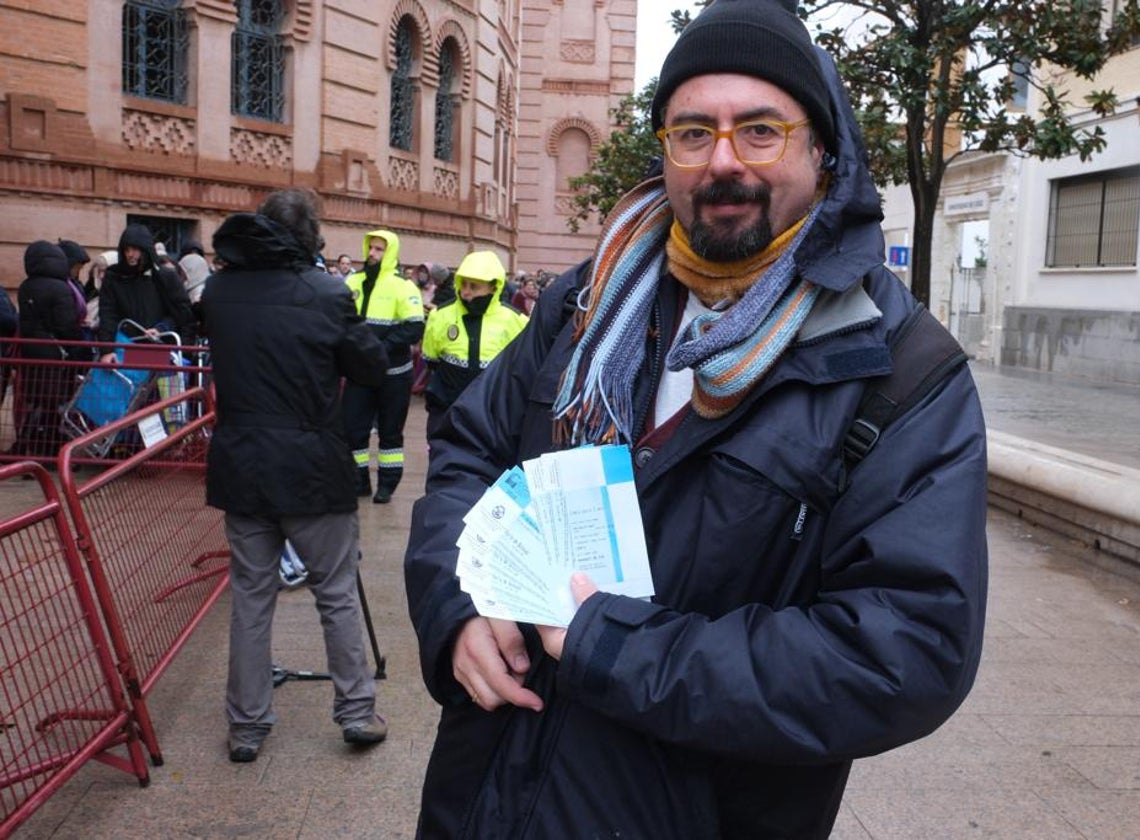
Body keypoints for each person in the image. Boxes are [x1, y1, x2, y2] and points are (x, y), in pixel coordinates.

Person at [402, 1, 989, 836]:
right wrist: (456, 606)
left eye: (760, 131)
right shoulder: (582, 304)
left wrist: (614, 647)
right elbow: (468, 451)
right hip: (488, 794)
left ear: (822, 150)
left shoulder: (899, 370)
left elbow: (904, 649)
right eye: (692, 132)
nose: (723, 163)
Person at [203, 187, 390, 763]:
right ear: (309, 238)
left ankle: (247, 725)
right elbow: (370, 368)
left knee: (252, 599)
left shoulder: (218, 292)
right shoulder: (328, 294)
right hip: (311, 466)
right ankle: (356, 710)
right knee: (334, 593)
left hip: (244, 465)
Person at [341, 229, 426, 504]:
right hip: (359, 374)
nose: (373, 254)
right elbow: (339, 319)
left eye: (379, 249)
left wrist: (380, 348)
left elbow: (414, 326)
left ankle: (387, 485)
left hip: (394, 374)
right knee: (354, 431)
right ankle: (358, 481)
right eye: (371, 248)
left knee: (390, 433)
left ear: (390, 252)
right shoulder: (352, 281)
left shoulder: (403, 286)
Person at [419, 250, 527, 439]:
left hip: (493, 414)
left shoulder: (516, 321)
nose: (466, 292)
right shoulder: (440, 315)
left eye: (474, 286)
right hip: (447, 408)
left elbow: (522, 366)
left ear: (494, 287)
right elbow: (430, 358)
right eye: (463, 284)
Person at [13, 241, 85, 457]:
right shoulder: (61, 288)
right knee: (53, 402)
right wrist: (78, 348)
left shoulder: (26, 286)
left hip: (31, 352)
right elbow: (66, 326)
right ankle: (43, 449)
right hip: (55, 355)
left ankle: (28, 447)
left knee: (37, 400)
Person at [97, 223, 195, 362]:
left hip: (162, 350)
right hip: (125, 347)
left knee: (159, 383)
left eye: (135, 249)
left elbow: (182, 315)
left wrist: (160, 329)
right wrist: (107, 350)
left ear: (146, 250)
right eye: (127, 250)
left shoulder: (165, 277)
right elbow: (107, 314)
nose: (130, 254)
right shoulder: (114, 276)